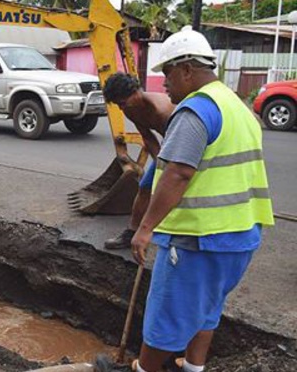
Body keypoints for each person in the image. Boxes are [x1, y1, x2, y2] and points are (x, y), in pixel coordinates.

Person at [130, 26, 274, 372]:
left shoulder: (196, 110)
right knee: (207, 309)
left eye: (166, 73)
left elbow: (178, 173)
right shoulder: (237, 107)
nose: (163, 83)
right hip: (240, 236)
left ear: (187, 69)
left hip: (198, 239)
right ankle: (193, 368)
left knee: (165, 317)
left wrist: (145, 228)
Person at [102, 73, 175, 250]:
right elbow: (148, 138)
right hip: (167, 149)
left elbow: (178, 140)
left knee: (172, 193)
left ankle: (175, 238)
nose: (121, 108)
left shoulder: (162, 109)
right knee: (144, 187)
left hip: (180, 148)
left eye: (123, 103)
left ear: (135, 92)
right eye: (118, 104)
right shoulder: (130, 109)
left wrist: (169, 169)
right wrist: (159, 163)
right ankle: (131, 233)